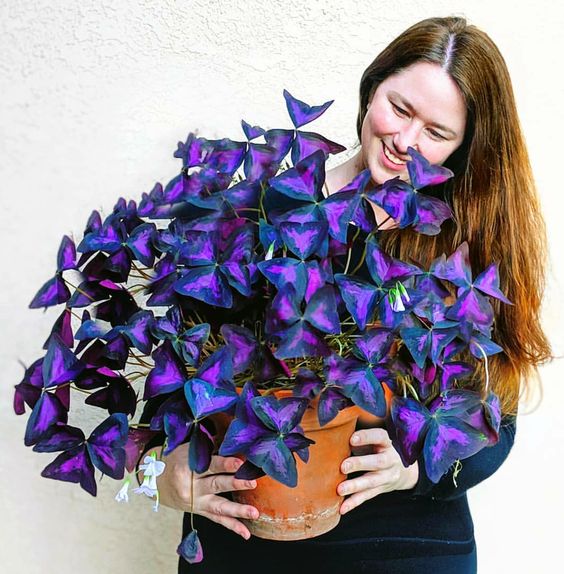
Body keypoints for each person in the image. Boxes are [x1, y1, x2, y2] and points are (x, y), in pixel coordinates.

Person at [146, 16, 551, 573]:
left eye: (436, 133)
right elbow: (176, 374)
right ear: (371, 89)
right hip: (246, 545)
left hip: (406, 549)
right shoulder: (261, 211)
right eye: (400, 108)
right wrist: (162, 474)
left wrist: (414, 471)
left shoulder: (465, 244)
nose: (405, 140)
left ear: (462, 149)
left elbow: (496, 419)